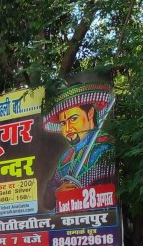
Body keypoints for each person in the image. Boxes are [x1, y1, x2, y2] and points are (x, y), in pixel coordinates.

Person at [42, 82, 117, 210]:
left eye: (73, 119)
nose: (68, 128)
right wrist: (57, 192)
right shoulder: (66, 157)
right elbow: (47, 200)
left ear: (90, 114)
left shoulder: (105, 148)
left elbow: (107, 198)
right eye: (63, 123)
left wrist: (79, 195)